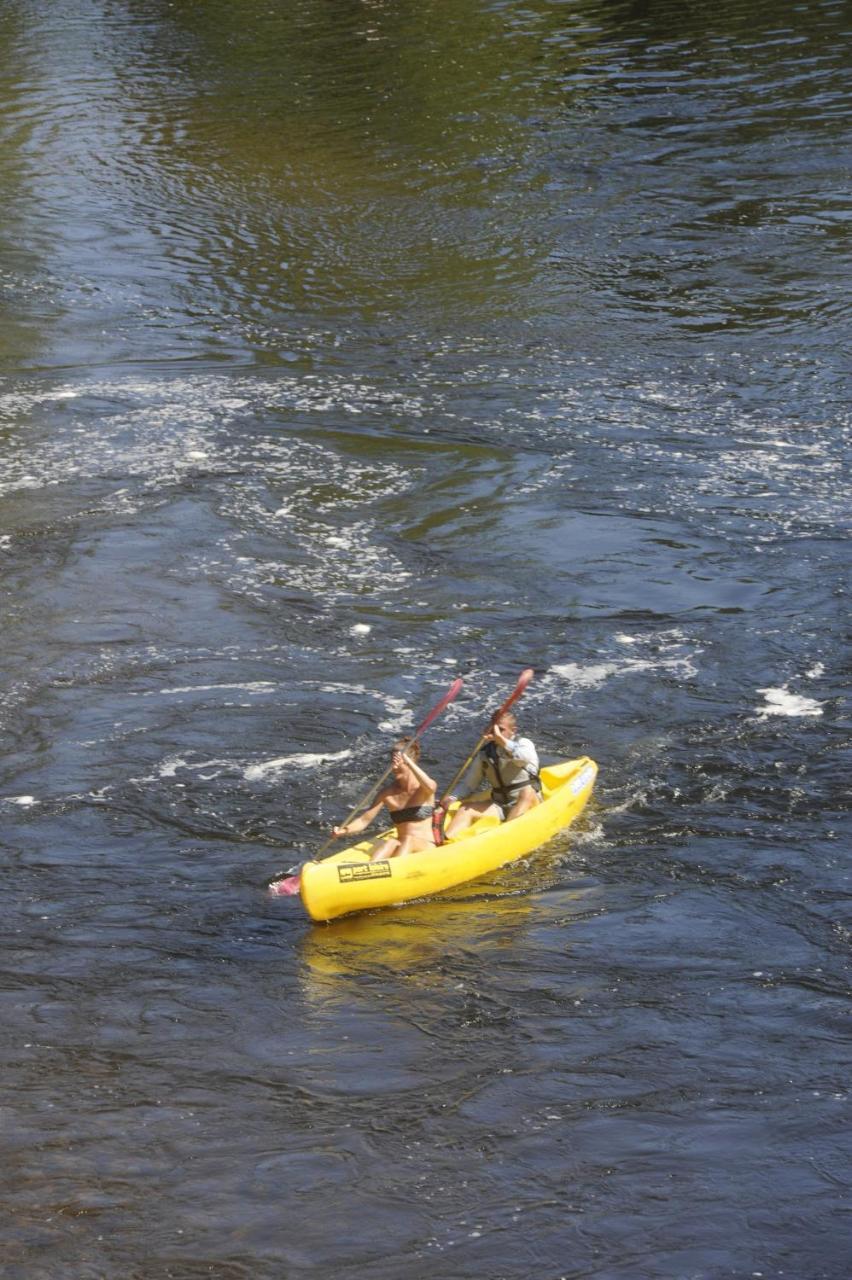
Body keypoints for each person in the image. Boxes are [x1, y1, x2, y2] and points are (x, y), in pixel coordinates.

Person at [332, 739, 437, 862]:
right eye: (393, 762)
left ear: (410, 763)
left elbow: (431, 786)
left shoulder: (423, 788)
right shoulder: (387, 793)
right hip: (402, 845)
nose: (394, 767)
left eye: (399, 762)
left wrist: (407, 759)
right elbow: (363, 820)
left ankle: (395, 871)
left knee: (409, 840)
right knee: (391, 842)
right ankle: (372, 869)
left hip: (426, 846)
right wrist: (343, 831)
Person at [445, 710, 541, 838]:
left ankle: (508, 835)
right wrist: (452, 798)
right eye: (493, 729)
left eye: (500, 729)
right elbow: (469, 785)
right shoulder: (484, 753)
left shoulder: (523, 744)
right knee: (465, 809)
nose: (495, 733)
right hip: (500, 804)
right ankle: (447, 843)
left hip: (527, 801)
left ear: (513, 730)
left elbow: (523, 759)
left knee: (527, 792)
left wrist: (501, 740)